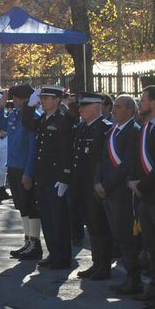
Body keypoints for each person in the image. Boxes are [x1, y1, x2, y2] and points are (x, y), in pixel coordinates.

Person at [129, 86, 155, 304]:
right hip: (144, 195)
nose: (140, 103)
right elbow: (139, 159)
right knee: (151, 245)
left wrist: (143, 184)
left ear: (154, 103)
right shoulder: (146, 127)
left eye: (143, 99)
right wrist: (134, 182)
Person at [97, 94, 142, 293]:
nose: (113, 110)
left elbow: (127, 164)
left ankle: (134, 279)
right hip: (107, 191)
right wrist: (97, 181)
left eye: (118, 107)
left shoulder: (134, 131)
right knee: (118, 235)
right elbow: (102, 159)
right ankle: (129, 277)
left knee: (126, 236)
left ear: (130, 111)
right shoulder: (113, 130)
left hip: (122, 192)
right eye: (113, 106)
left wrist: (106, 184)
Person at [29, 86, 75, 271]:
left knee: (59, 219)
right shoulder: (43, 118)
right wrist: (29, 106)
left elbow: (66, 151)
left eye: (47, 98)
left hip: (56, 177)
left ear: (57, 100)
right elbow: (27, 123)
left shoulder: (62, 121)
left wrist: (64, 177)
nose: (43, 101)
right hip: (43, 176)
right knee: (47, 218)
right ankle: (53, 253)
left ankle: (63, 257)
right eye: (42, 98)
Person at [71, 93, 113, 280]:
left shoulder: (105, 129)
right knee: (92, 226)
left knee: (100, 226)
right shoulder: (82, 127)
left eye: (84, 106)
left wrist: (100, 182)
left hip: (96, 185)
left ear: (97, 108)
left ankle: (104, 265)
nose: (80, 109)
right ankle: (96, 263)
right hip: (82, 184)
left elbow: (104, 160)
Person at [6, 84, 41, 261]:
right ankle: (27, 241)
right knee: (21, 206)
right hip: (13, 165)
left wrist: (29, 172)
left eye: (18, 97)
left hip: (24, 167)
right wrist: (0, 104)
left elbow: (33, 148)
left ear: (27, 99)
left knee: (30, 205)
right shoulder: (14, 114)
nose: (14, 100)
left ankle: (35, 244)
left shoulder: (33, 117)